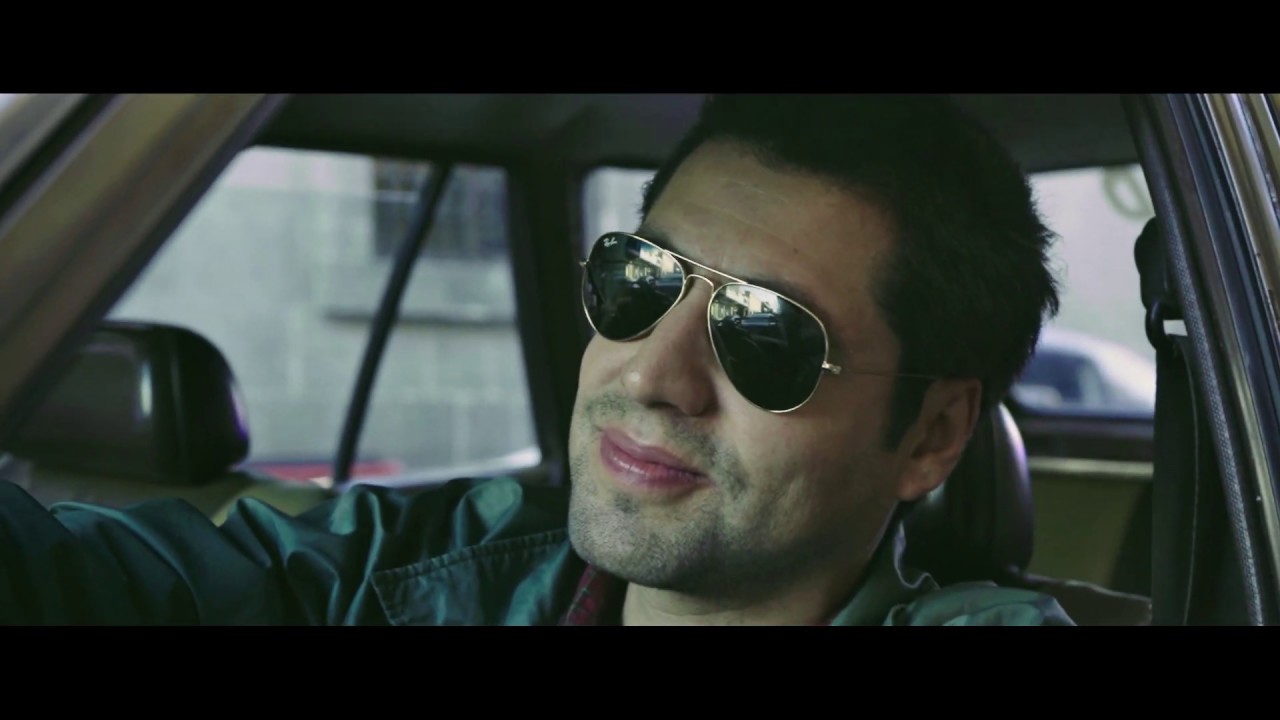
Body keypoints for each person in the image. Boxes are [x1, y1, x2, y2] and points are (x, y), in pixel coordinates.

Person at [0, 94, 1072, 625]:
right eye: (639, 280)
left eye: (764, 335)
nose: (648, 376)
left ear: (931, 436)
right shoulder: (424, 574)